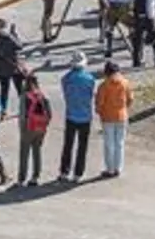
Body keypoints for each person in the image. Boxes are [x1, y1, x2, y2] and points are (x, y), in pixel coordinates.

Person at [58, 52, 97, 183]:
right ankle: (78, 173)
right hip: (85, 115)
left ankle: (64, 171)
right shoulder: (90, 79)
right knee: (82, 146)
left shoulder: (66, 79)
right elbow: (90, 94)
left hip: (71, 114)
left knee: (68, 145)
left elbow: (66, 94)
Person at [95, 61, 133, 178]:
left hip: (108, 117)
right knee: (120, 143)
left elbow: (100, 103)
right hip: (122, 116)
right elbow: (130, 99)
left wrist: (99, 111)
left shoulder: (104, 86)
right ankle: (118, 168)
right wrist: (124, 108)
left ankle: (110, 169)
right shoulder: (125, 83)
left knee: (109, 144)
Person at [15, 73, 52, 187]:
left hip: (28, 127)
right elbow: (49, 114)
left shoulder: (25, 96)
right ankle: (35, 177)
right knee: (37, 152)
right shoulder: (43, 95)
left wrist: (22, 129)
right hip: (40, 127)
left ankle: (21, 179)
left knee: (24, 154)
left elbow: (22, 115)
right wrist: (44, 126)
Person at [0, 19, 25, 110]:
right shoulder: (8, 37)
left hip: (1, 66)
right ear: (1, 27)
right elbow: (19, 46)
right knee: (20, 89)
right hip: (13, 66)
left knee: (4, 90)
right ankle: (24, 108)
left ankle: (3, 110)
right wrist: (14, 34)